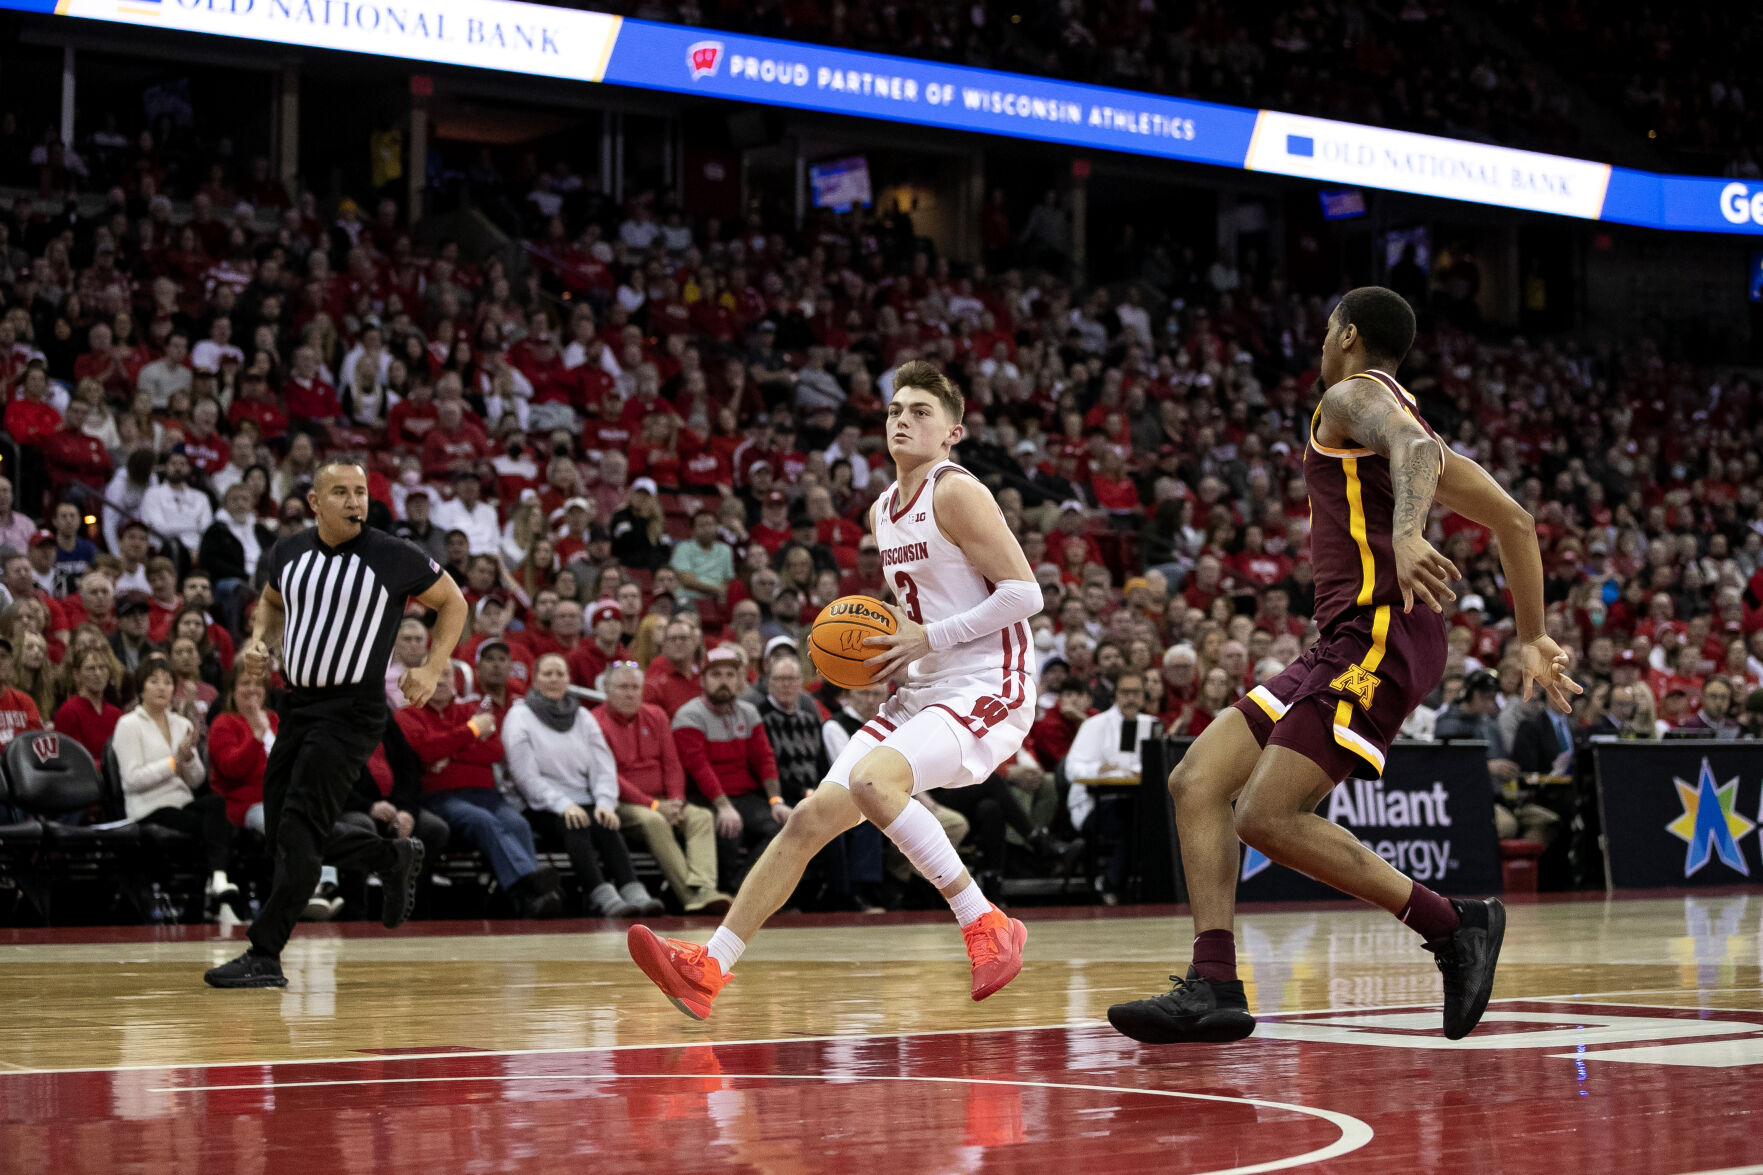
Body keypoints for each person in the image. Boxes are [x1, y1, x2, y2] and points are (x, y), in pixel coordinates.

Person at [1108, 287, 1580, 1044]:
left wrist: (1403, 536)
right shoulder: (1399, 413)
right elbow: (1515, 521)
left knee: (1264, 814)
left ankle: (1454, 924)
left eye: (1328, 328)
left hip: (1377, 633)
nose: (1322, 341)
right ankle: (1214, 982)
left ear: (1348, 334)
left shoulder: (1350, 396)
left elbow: (1416, 453)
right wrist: (1530, 633)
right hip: (1342, 639)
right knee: (1196, 780)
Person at [630, 360, 1041, 1018]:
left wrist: (925, 640)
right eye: (894, 411)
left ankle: (986, 920)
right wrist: (894, 658)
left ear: (952, 432)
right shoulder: (881, 509)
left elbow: (1025, 594)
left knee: (874, 784)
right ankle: (710, 966)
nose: (902, 420)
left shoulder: (955, 491)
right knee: (809, 819)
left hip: (990, 682)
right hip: (926, 685)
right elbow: (921, 608)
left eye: (919, 413)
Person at [204, 458, 469, 989]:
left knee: (300, 827)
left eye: (361, 492)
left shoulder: (392, 555)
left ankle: (264, 951)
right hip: (296, 704)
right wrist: (260, 640)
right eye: (342, 492)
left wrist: (433, 666)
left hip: (351, 710)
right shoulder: (289, 551)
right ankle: (389, 857)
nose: (354, 502)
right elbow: (271, 604)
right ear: (315, 503)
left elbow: (454, 602)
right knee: (283, 832)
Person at [502, 653, 664, 917]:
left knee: (605, 821)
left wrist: (605, 802)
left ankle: (633, 889)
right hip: (540, 805)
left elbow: (603, 765)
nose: (554, 679)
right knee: (575, 823)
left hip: (584, 800)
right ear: (534, 679)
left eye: (560, 674)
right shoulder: (519, 717)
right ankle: (601, 894)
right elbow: (525, 778)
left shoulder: (581, 716)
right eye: (547, 674)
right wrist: (564, 805)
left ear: (568, 679)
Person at [398, 672, 563, 919]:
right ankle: (531, 887)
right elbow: (425, 750)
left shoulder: (470, 710)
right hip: (442, 797)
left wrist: (450, 752)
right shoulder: (407, 715)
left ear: (456, 682)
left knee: (517, 823)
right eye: (435, 675)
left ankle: (528, 898)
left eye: (446, 674)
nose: (441, 680)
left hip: (487, 795)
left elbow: (494, 751)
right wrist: (473, 731)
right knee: (481, 821)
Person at [593, 661, 730, 914]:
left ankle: (705, 889)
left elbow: (672, 764)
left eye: (635, 687)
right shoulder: (595, 722)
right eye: (623, 687)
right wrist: (655, 805)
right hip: (623, 804)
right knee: (653, 820)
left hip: (665, 800)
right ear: (607, 690)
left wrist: (676, 800)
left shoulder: (656, 715)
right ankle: (689, 896)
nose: (630, 693)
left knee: (701, 816)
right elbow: (607, 776)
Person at [114, 658, 242, 919]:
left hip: (181, 802)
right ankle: (217, 891)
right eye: (154, 681)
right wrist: (174, 762)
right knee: (216, 827)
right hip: (148, 806)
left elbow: (196, 781)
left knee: (219, 805)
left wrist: (189, 758)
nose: (162, 687)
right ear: (141, 688)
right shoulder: (128, 725)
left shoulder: (182, 724)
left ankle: (217, 878)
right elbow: (132, 779)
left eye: (168, 682)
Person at [1064, 669, 1157, 904]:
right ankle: (1111, 883)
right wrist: (1097, 771)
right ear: (1116, 695)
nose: (1131, 699)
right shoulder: (1095, 725)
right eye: (1125, 692)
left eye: (1136, 693)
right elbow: (1071, 769)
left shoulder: (1151, 725)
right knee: (1133, 821)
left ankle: (1154, 888)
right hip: (1094, 804)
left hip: (1135, 799)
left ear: (1144, 696)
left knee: (1152, 818)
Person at [51, 646, 119, 759]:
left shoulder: (116, 714)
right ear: (76, 675)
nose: (98, 673)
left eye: (102, 668)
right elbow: (71, 758)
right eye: (91, 669)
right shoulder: (68, 712)